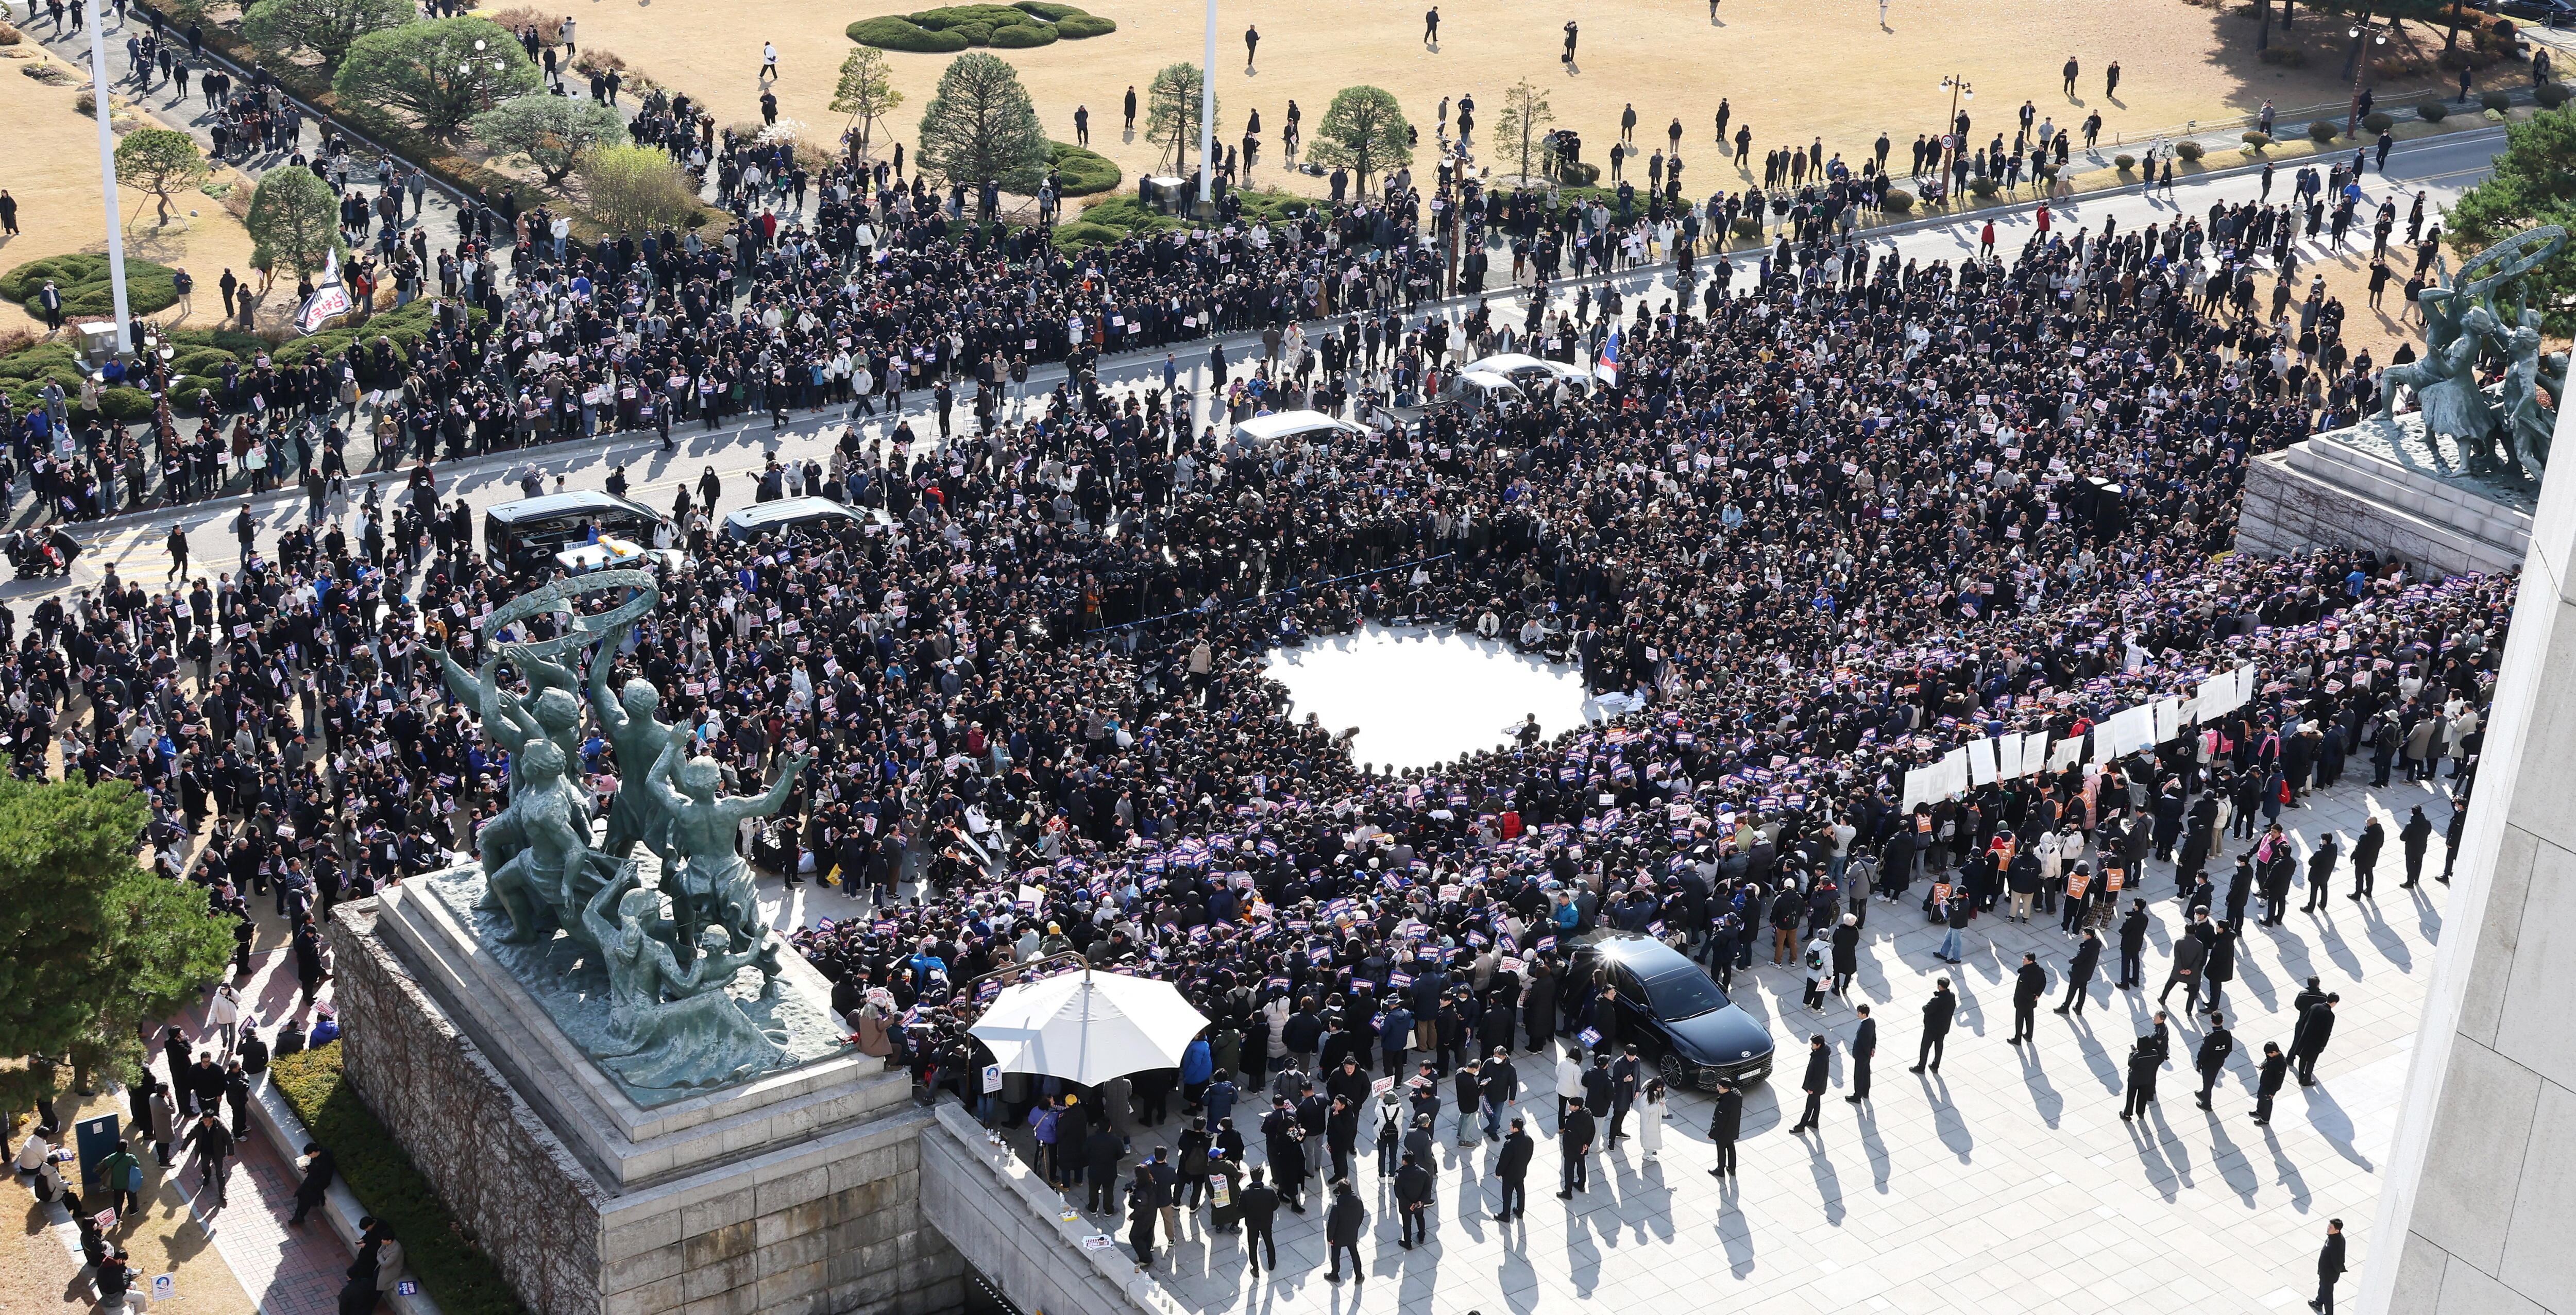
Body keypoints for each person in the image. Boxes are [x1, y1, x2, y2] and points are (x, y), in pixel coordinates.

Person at [2291, 993, 2338, 1085]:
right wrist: (2323, 1045)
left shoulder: (2315, 1006)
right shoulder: (2330, 1015)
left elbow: (2305, 1019)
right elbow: (2327, 1032)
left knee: (2303, 1058)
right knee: (2311, 1061)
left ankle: (2301, 1077)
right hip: (2316, 1041)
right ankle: (2307, 1079)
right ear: (2334, 1003)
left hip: (2305, 1037)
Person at [1910, 978, 1955, 1073]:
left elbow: (1927, 1009)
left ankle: (1921, 1067)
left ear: (1940, 986)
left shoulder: (1937, 1000)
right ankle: (1935, 1066)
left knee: (1925, 1048)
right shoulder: (1951, 996)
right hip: (1943, 1028)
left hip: (1932, 1029)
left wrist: (1924, 1007)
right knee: (1939, 1046)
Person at [1324, 1178, 1365, 1282]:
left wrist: (1330, 1238)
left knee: (1336, 1255)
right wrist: (1355, 1228)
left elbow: (1332, 1225)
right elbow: (1361, 1216)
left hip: (1338, 1236)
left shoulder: (1337, 1206)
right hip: (1352, 1234)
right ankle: (1359, 1276)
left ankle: (1335, 1275)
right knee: (1354, 1253)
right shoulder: (1358, 1201)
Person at [1239, 1166, 1279, 1274]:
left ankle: (1255, 1268)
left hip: (1252, 1224)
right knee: (1269, 1241)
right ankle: (1271, 1264)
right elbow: (1276, 1205)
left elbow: (1240, 1209)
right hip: (1266, 1222)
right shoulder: (1269, 1191)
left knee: (1253, 1246)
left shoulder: (1245, 1192)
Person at [1492, 1115, 1532, 1219]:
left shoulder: (1510, 1144)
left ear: (1515, 1129)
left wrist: (1498, 1172)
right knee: (1520, 1191)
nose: (1509, 1127)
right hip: (1521, 1171)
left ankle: (1506, 1215)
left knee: (1507, 1194)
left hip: (1510, 1174)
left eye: (1511, 1126)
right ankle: (1520, 1211)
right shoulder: (1529, 1140)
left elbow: (1504, 1160)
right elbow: (1529, 1155)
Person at [1788, 1034, 1829, 1135]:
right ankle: (1814, 1121)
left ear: (1819, 1045)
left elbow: (1818, 1076)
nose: (1811, 1045)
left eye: (1813, 1044)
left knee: (1809, 1106)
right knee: (1816, 1103)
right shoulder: (1821, 1053)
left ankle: (1801, 1126)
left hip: (1815, 1087)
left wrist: (1811, 1088)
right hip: (1819, 1087)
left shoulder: (1820, 1059)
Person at [2057, 928, 2103, 1015]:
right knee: (2083, 989)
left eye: (2084, 933)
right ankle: (2079, 1008)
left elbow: (2079, 959)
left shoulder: (2087, 947)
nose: (2083, 934)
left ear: (2089, 936)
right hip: (2087, 972)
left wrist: (2071, 960)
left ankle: (2065, 1007)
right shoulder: (2095, 945)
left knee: (2072, 990)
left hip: (2079, 973)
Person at [290, 1143, 338, 1225]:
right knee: (301, 1194)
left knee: (306, 1198)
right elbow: (314, 1167)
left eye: (309, 1154)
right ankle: (298, 1215)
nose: (309, 1156)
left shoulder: (325, 1161)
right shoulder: (317, 1158)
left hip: (317, 1183)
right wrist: (307, 1169)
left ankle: (300, 1216)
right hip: (312, 1180)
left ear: (313, 1152)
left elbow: (325, 1177)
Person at [1124, 1163, 1159, 1271]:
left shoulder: (1143, 1191)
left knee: (1134, 1237)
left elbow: (1141, 1208)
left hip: (1143, 1218)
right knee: (1148, 1234)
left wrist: (1132, 1216)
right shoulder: (1152, 1182)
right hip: (1152, 1214)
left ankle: (1146, 1258)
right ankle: (1146, 1251)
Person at [1705, 1078, 1742, 1179]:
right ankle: (1732, 1168)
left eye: (1719, 1087)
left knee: (1721, 1151)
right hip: (1733, 1129)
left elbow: (1720, 1121)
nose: (1718, 1089)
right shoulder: (1736, 1096)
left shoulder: (1725, 1103)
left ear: (1726, 1090)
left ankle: (1720, 1170)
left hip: (1723, 1132)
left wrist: (1712, 1134)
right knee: (1731, 1147)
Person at [2194, 1018, 2235, 1109]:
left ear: (2212, 1021)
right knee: (2210, 1080)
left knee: (2208, 1083)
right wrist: (2221, 1057)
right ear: (2223, 1021)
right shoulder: (2227, 1034)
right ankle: (2204, 1093)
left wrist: (2199, 1063)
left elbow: (2203, 1052)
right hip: (2219, 1062)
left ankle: (2207, 1104)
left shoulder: (2210, 1037)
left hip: (2208, 1064)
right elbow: (2229, 1049)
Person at [1394, 1151, 1432, 1246]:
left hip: (1406, 1206)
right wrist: (1420, 1201)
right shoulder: (1423, 1173)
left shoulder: (1400, 1176)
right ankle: (1422, 1236)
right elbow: (1428, 1188)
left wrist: (1410, 1204)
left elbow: (1399, 1194)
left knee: (1407, 1224)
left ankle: (1408, 1243)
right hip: (1419, 1204)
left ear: (1404, 1162)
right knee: (1420, 1218)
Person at [1557, 1100, 1594, 1197]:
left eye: (1571, 1106)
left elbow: (1572, 1137)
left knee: (1569, 1170)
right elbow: (1592, 1130)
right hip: (1583, 1148)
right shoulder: (1588, 1114)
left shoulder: (1574, 1121)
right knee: (1581, 1165)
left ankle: (1568, 1192)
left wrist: (1579, 1148)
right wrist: (1586, 1144)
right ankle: (1581, 1184)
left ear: (1577, 1107)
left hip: (1572, 1150)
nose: (1569, 1107)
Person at [2009, 952, 2046, 1044]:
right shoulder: (2040, 970)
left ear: (2030, 961)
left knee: (2019, 1020)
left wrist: (2033, 997)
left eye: (2025, 960)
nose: (2023, 961)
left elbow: (2023, 989)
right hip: (2032, 1001)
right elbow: (2043, 983)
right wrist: (2037, 995)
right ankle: (2029, 1036)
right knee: (2030, 1017)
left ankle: (2018, 1039)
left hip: (2023, 1001)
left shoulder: (2025, 974)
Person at [2312, 1219, 2346, 1313]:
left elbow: (2338, 1261)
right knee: (2322, 1287)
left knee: (2328, 1295)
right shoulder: (2332, 1237)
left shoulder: (2337, 1243)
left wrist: (2332, 1273)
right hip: (2324, 1273)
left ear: (2337, 1231)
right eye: (2329, 1226)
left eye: (2331, 1227)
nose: (2328, 1228)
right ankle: (2318, 1303)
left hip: (2329, 1275)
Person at [2121, 1034, 2158, 1121]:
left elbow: (2131, 1063)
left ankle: (2127, 1114)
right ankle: (2141, 1112)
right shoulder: (2154, 1053)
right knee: (2142, 1096)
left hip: (2134, 1079)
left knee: (2131, 1097)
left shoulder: (2138, 1056)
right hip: (2146, 1079)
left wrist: (2132, 1054)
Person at [2252, 1041, 2290, 1125]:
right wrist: (2263, 1065)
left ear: (2274, 1052)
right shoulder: (2272, 1056)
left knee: (2267, 1102)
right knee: (2260, 1096)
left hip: (2270, 1086)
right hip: (2265, 1082)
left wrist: (2273, 1092)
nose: (2268, 1055)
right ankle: (2259, 1111)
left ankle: (2265, 1119)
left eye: (2268, 1054)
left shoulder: (2281, 1063)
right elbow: (2267, 1060)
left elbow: (2279, 1080)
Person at [2117, 899, 2151, 988]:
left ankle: (2125, 983)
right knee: (2136, 961)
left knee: (2126, 963)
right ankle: (2135, 980)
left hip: (2127, 944)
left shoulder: (2131, 919)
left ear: (2136, 907)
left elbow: (2122, 931)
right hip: (2138, 943)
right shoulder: (2145, 918)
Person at [1844, 1005, 1875, 1103]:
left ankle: (1857, 1096)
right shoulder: (1871, 1022)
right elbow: (1874, 1036)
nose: (1858, 1014)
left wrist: (1867, 1054)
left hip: (1862, 1055)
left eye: (1859, 1013)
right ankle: (1865, 1092)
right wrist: (1873, 1049)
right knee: (1866, 1074)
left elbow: (1865, 1042)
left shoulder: (1863, 1027)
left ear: (1864, 1014)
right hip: (1867, 1054)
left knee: (1858, 1076)